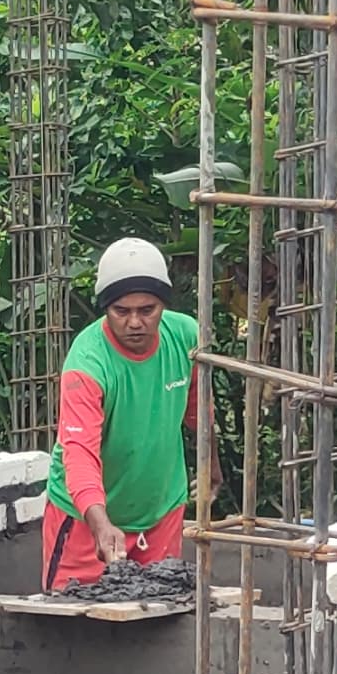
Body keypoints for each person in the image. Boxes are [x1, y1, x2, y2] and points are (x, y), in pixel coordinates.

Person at [41, 238, 196, 591]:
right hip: (85, 520)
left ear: (164, 306)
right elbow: (78, 452)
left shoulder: (185, 335)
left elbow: (198, 406)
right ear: (105, 309)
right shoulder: (87, 364)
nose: (135, 322)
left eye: (148, 310)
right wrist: (99, 522)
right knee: (70, 621)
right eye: (121, 312)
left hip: (161, 512)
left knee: (162, 620)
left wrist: (211, 464)